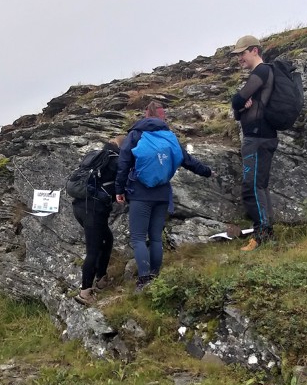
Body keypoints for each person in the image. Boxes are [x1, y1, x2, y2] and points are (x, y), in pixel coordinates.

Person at [115, 102, 212, 292]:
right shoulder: (169, 137)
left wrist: (119, 189)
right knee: (156, 238)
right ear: (162, 116)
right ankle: (155, 275)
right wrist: (207, 172)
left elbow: (123, 163)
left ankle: (144, 280)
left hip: (140, 193)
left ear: (145, 115)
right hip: (162, 193)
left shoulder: (135, 135)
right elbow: (188, 160)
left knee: (138, 238)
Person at [229, 35, 277, 251]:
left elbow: (237, 101)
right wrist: (240, 107)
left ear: (254, 50)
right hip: (264, 135)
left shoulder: (261, 71)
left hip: (257, 137)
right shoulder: (264, 72)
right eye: (237, 55)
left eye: (242, 53)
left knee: (251, 187)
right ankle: (266, 232)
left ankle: (260, 235)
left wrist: (239, 104)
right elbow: (239, 112)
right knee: (260, 186)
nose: (239, 58)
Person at [71, 135, 124, 305]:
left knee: (107, 240)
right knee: (93, 250)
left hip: (80, 207)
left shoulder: (99, 155)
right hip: (93, 211)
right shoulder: (115, 161)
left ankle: (101, 279)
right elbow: (121, 185)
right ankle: (85, 292)